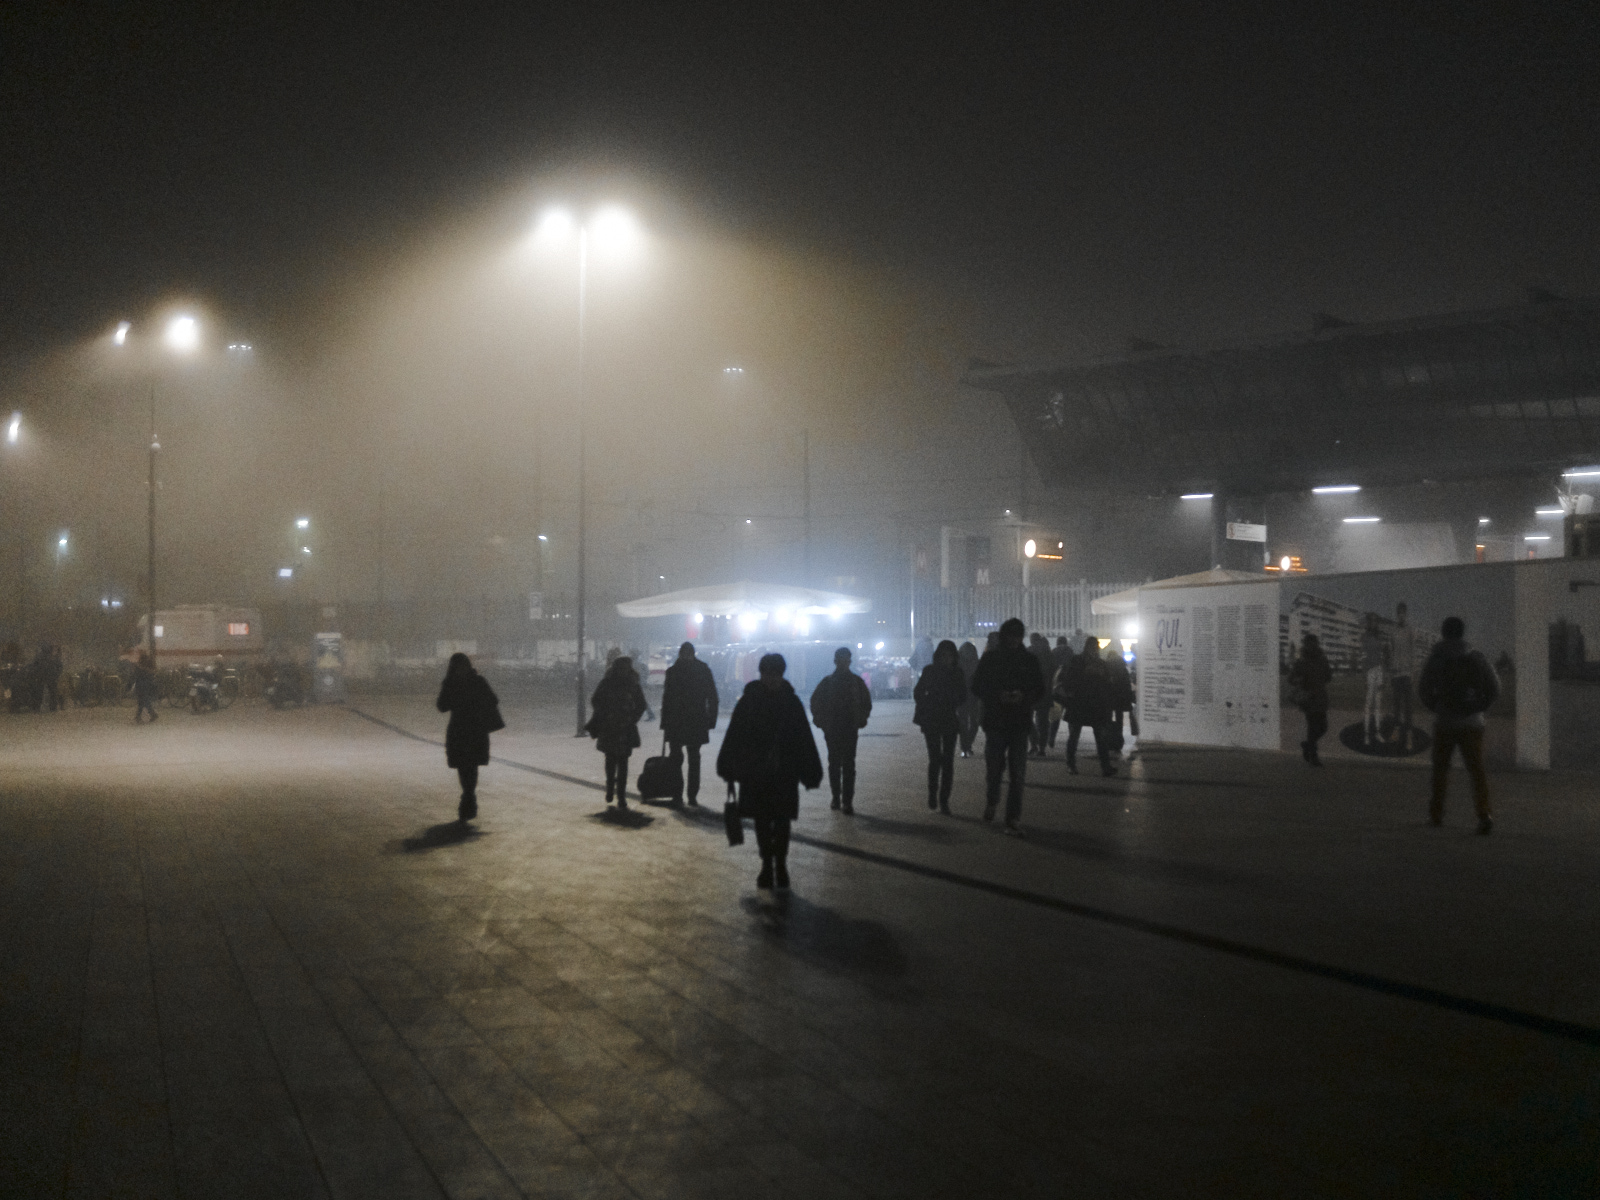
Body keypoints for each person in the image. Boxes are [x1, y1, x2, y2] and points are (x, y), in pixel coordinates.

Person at [717, 652, 823, 889]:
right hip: (759, 773)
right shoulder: (754, 701)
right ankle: (768, 864)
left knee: (781, 820)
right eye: (769, 674)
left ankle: (779, 864)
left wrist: (810, 769)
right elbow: (735, 736)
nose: (773, 679)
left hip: (780, 772)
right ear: (762, 674)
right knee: (763, 820)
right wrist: (728, 765)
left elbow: (803, 739)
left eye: (776, 674)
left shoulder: (783, 702)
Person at [1417, 616, 1500, 834]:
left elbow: (1423, 688)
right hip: (1472, 723)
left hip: (1445, 722)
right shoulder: (1476, 657)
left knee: (1440, 770)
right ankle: (1484, 815)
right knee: (1476, 771)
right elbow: (1494, 687)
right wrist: (1479, 707)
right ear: (1462, 633)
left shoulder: (1436, 658)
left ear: (1443, 633)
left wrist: (1437, 707)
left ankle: (1436, 815)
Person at [969, 617, 1045, 835]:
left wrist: (1023, 697)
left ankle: (1012, 817)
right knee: (994, 768)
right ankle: (993, 800)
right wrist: (998, 695)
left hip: (1018, 722)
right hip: (997, 721)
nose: (1014, 640)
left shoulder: (1028, 660)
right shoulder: (992, 658)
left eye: (1017, 636)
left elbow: (1039, 688)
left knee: (1017, 772)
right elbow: (977, 685)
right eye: (1011, 636)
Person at [436, 653, 502, 822]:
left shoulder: (452, 682)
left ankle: (468, 798)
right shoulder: (478, 681)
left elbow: (442, 706)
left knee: (466, 765)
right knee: (469, 765)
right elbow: (493, 700)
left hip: (461, 730)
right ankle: (469, 797)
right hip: (473, 730)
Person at [809, 646, 872, 813]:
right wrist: (822, 721)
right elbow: (815, 703)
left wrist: (860, 719)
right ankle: (840, 799)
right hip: (837, 728)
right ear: (837, 661)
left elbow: (866, 703)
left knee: (842, 764)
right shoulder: (841, 682)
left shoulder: (843, 682)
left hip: (844, 728)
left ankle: (843, 800)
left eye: (845, 660)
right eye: (842, 660)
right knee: (840, 764)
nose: (844, 663)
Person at [660, 641, 719, 806]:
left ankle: (677, 794)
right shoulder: (703, 669)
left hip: (676, 721)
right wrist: (711, 719)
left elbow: (667, 699)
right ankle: (691, 795)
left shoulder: (673, 671)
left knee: (676, 758)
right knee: (694, 758)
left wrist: (665, 723)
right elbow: (712, 696)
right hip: (696, 720)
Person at [913, 639, 967, 813]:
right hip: (934, 719)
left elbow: (963, 695)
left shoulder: (955, 673)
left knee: (947, 761)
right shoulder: (932, 671)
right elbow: (918, 691)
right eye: (944, 655)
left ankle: (943, 799)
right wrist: (929, 702)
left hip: (946, 718)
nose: (946, 659)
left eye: (949, 656)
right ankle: (933, 793)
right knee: (935, 759)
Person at [588, 656, 648, 809]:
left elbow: (596, 700)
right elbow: (641, 704)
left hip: (615, 726)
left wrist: (606, 712)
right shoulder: (629, 683)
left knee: (616, 760)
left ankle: (616, 792)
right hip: (620, 726)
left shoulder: (610, 682)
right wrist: (632, 717)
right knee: (619, 761)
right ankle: (617, 792)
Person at [1059, 638, 1116, 777]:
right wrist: (1086, 674)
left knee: (1096, 736)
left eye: (1096, 647)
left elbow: (1108, 683)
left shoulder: (1095, 663)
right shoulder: (1081, 661)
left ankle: (1104, 766)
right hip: (1083, 703)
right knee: (1077, 735)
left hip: (1090, 704)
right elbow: (1069, 680)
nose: (1095, 649)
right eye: (1093, 647)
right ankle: (1073, 765)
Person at [1287, 633, 1332, 765]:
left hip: (1320, 697)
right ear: (1306, 645)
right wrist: (1300, 682)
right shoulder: (1301, 662)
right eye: (1309, 644)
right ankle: (1313, 756)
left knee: (1323, 727)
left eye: (1314, 643)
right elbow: (1291, 679)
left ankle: (1307, 745)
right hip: (1309, 698)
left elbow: (1328, 677)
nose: (1312, 646)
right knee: (1313, 727)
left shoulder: (1322, 660)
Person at [1390, 602, 1418, 750]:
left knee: (1408, 708)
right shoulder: (1393, 630)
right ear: (1397, 614)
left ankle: (1409, 735)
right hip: (1396, 673)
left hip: (1407, 674)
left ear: (1406, 614)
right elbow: (1392, 651)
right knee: (1396, 706)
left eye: (1403, 613)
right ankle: (1396, 731)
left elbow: (1413, 653)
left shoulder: (1411, 630)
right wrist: (1391, 671)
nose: (1401, 615)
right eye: (1399, 613)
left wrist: (1413, 672)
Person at [1104, 644, 1137, 756]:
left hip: (1109, 699)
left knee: (1108, 719)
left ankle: (1109, 742)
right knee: (1119, 719)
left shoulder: (1107, 667)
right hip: (1121, 699)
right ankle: (1118, 742)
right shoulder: (1123, 668)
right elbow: (1127, 685)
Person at [1027, 633, 1057, 756]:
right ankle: (1042, 747)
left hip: (1030, 690)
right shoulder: (1048, 652)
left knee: (1028, 719)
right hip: (1045, 691)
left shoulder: (1029, 651)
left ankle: (1034, 744)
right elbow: (1054, 671)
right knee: (1043, 721)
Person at [1360, 612, 1386, 745]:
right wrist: (1365, 676)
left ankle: (1377, 732)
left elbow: (1381, 657)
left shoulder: (1379, 636)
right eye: (1372, 621)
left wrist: (1382, 676)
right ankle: (1366, 734)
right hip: (1370, 671)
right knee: (1368, 703)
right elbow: (1363, 657)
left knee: (1378, 704)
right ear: (1369, 622)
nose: (1374, 623)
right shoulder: (1364, 637)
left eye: (1376, 621)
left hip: (1378, 671)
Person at [955, 640, 982, 757]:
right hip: (973, 697)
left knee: (963, 722)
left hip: (962, 697)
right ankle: (967, 745)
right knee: (974, 723)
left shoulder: (957, 665)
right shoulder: (977, 664)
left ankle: (965, 747)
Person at [133, 650, 159, 724]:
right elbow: (152, 672)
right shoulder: (147, 663)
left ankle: (148, 714)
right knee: (143, 700)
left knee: (143, 700)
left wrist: (138, 668)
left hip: (142, 684)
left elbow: (137, 674)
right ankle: (150, 714)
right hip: (146, 684)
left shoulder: (141, 664)